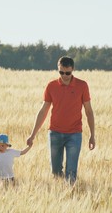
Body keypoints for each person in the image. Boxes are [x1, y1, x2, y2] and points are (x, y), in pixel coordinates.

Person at [26, 56, 95, 185]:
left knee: (71, 171)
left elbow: (89, 111)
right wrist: (32, 134)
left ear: (73, 69)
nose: (64, 75)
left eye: (67, 73)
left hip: (74, 134)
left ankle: (70, 196)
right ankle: (60, 195)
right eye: (61, 72)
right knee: (56, 171)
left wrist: (92, 135)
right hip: (55, 133)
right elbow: (43, 111)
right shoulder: (51, 86)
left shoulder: (82, 86)